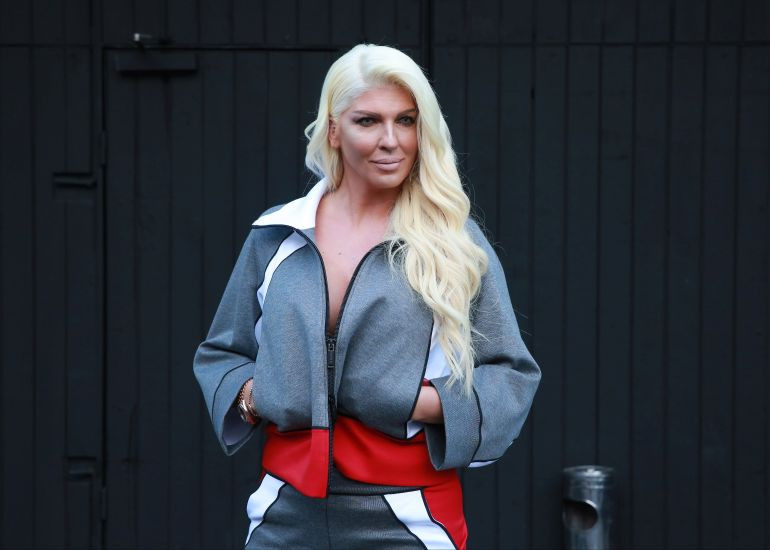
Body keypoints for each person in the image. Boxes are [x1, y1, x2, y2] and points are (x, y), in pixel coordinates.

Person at [192, 43, 541, 549]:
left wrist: (416, 402)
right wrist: (255, 396)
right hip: (283, 513)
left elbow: (511, 375)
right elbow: (221, 353)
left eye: (406, 121)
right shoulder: (277, 235)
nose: (390, 141)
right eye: (368, 121)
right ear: (334, 131)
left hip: (411, 517)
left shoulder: (454, 244)